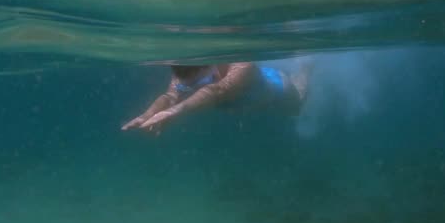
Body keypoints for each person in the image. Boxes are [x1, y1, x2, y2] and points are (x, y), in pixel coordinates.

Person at [121, 61, 312, 135]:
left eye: (201, 80)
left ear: (210, 64)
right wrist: (148, 114)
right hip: (247, 105)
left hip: (278, 89)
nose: (192, 87)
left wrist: (175, 111)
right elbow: (171, 95)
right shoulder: (184, 70)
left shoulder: (242, 67)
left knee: (297, 105)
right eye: (187, 84)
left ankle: (306, 67)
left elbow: (217, 90)